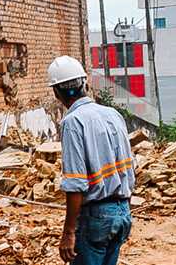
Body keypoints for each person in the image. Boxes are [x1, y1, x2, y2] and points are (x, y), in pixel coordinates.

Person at [48, 56, 135, 265]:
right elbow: (129, 170)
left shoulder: (73, 122)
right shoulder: (113, 114)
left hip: (96, 218)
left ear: (56, 93)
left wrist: (68, 232)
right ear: (85, 84)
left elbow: (76, 183)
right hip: (122, 212)